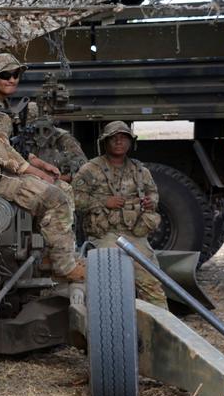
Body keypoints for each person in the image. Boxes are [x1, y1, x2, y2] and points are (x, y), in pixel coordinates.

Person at [0, 53, 84, 281]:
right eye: (5, 75)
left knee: (63, 190)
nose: (12, 79)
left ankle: (50, 256)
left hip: (1, 174)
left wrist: (41, 164)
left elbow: (13, 147)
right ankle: (65, 267)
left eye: (16, 74)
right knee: (55, 197)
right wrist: (37, 173)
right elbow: (4, 154)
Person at [72, 121, 168, 309]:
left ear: (131, 142)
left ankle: (161, 328)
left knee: (152, 285)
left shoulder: (140, 171)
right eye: (114, 138)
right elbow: (73, 198)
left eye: (123, 138)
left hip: (135, 235)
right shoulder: (90, 169)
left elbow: (153, 193)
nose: (119, 142)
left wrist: (151, 201)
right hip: (105, 235)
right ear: (105, 142)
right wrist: (103, 202)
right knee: (110, 285)